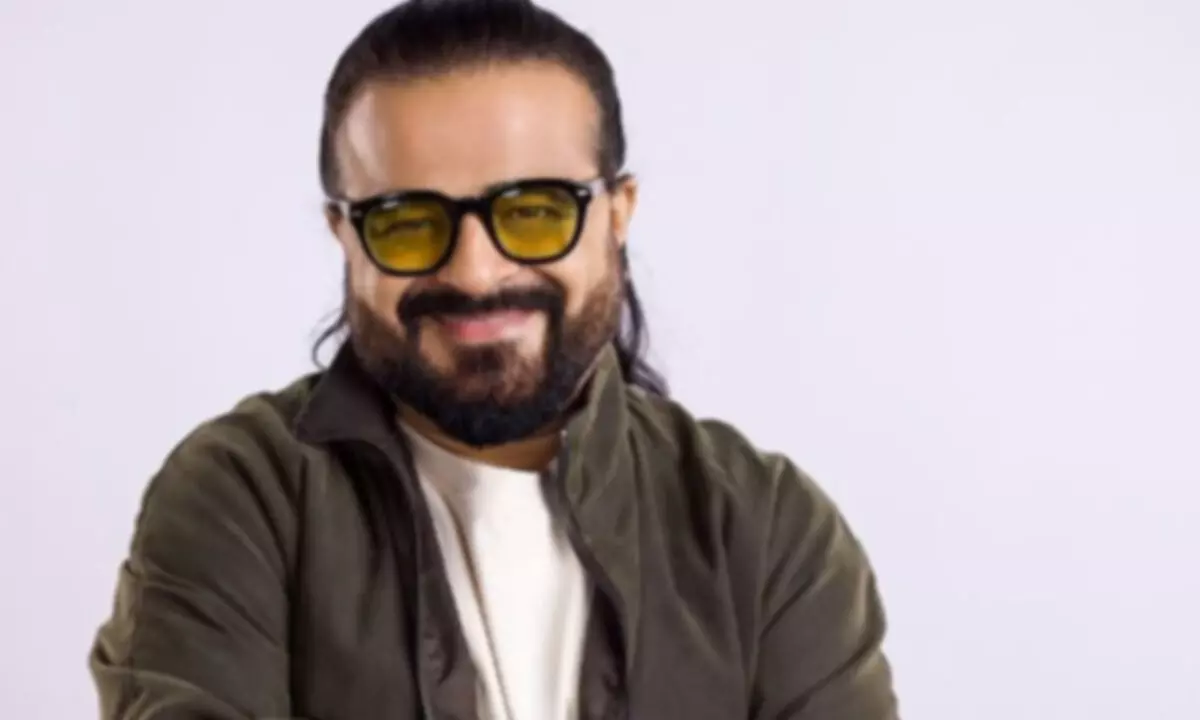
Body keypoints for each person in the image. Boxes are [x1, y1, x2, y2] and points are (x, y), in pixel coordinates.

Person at [89, 1, 899, 718]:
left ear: (618, 213)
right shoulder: (243, 498)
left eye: (535, 212)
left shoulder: (764, 527)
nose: (475, 273)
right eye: (408, 223)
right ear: (345, 236)